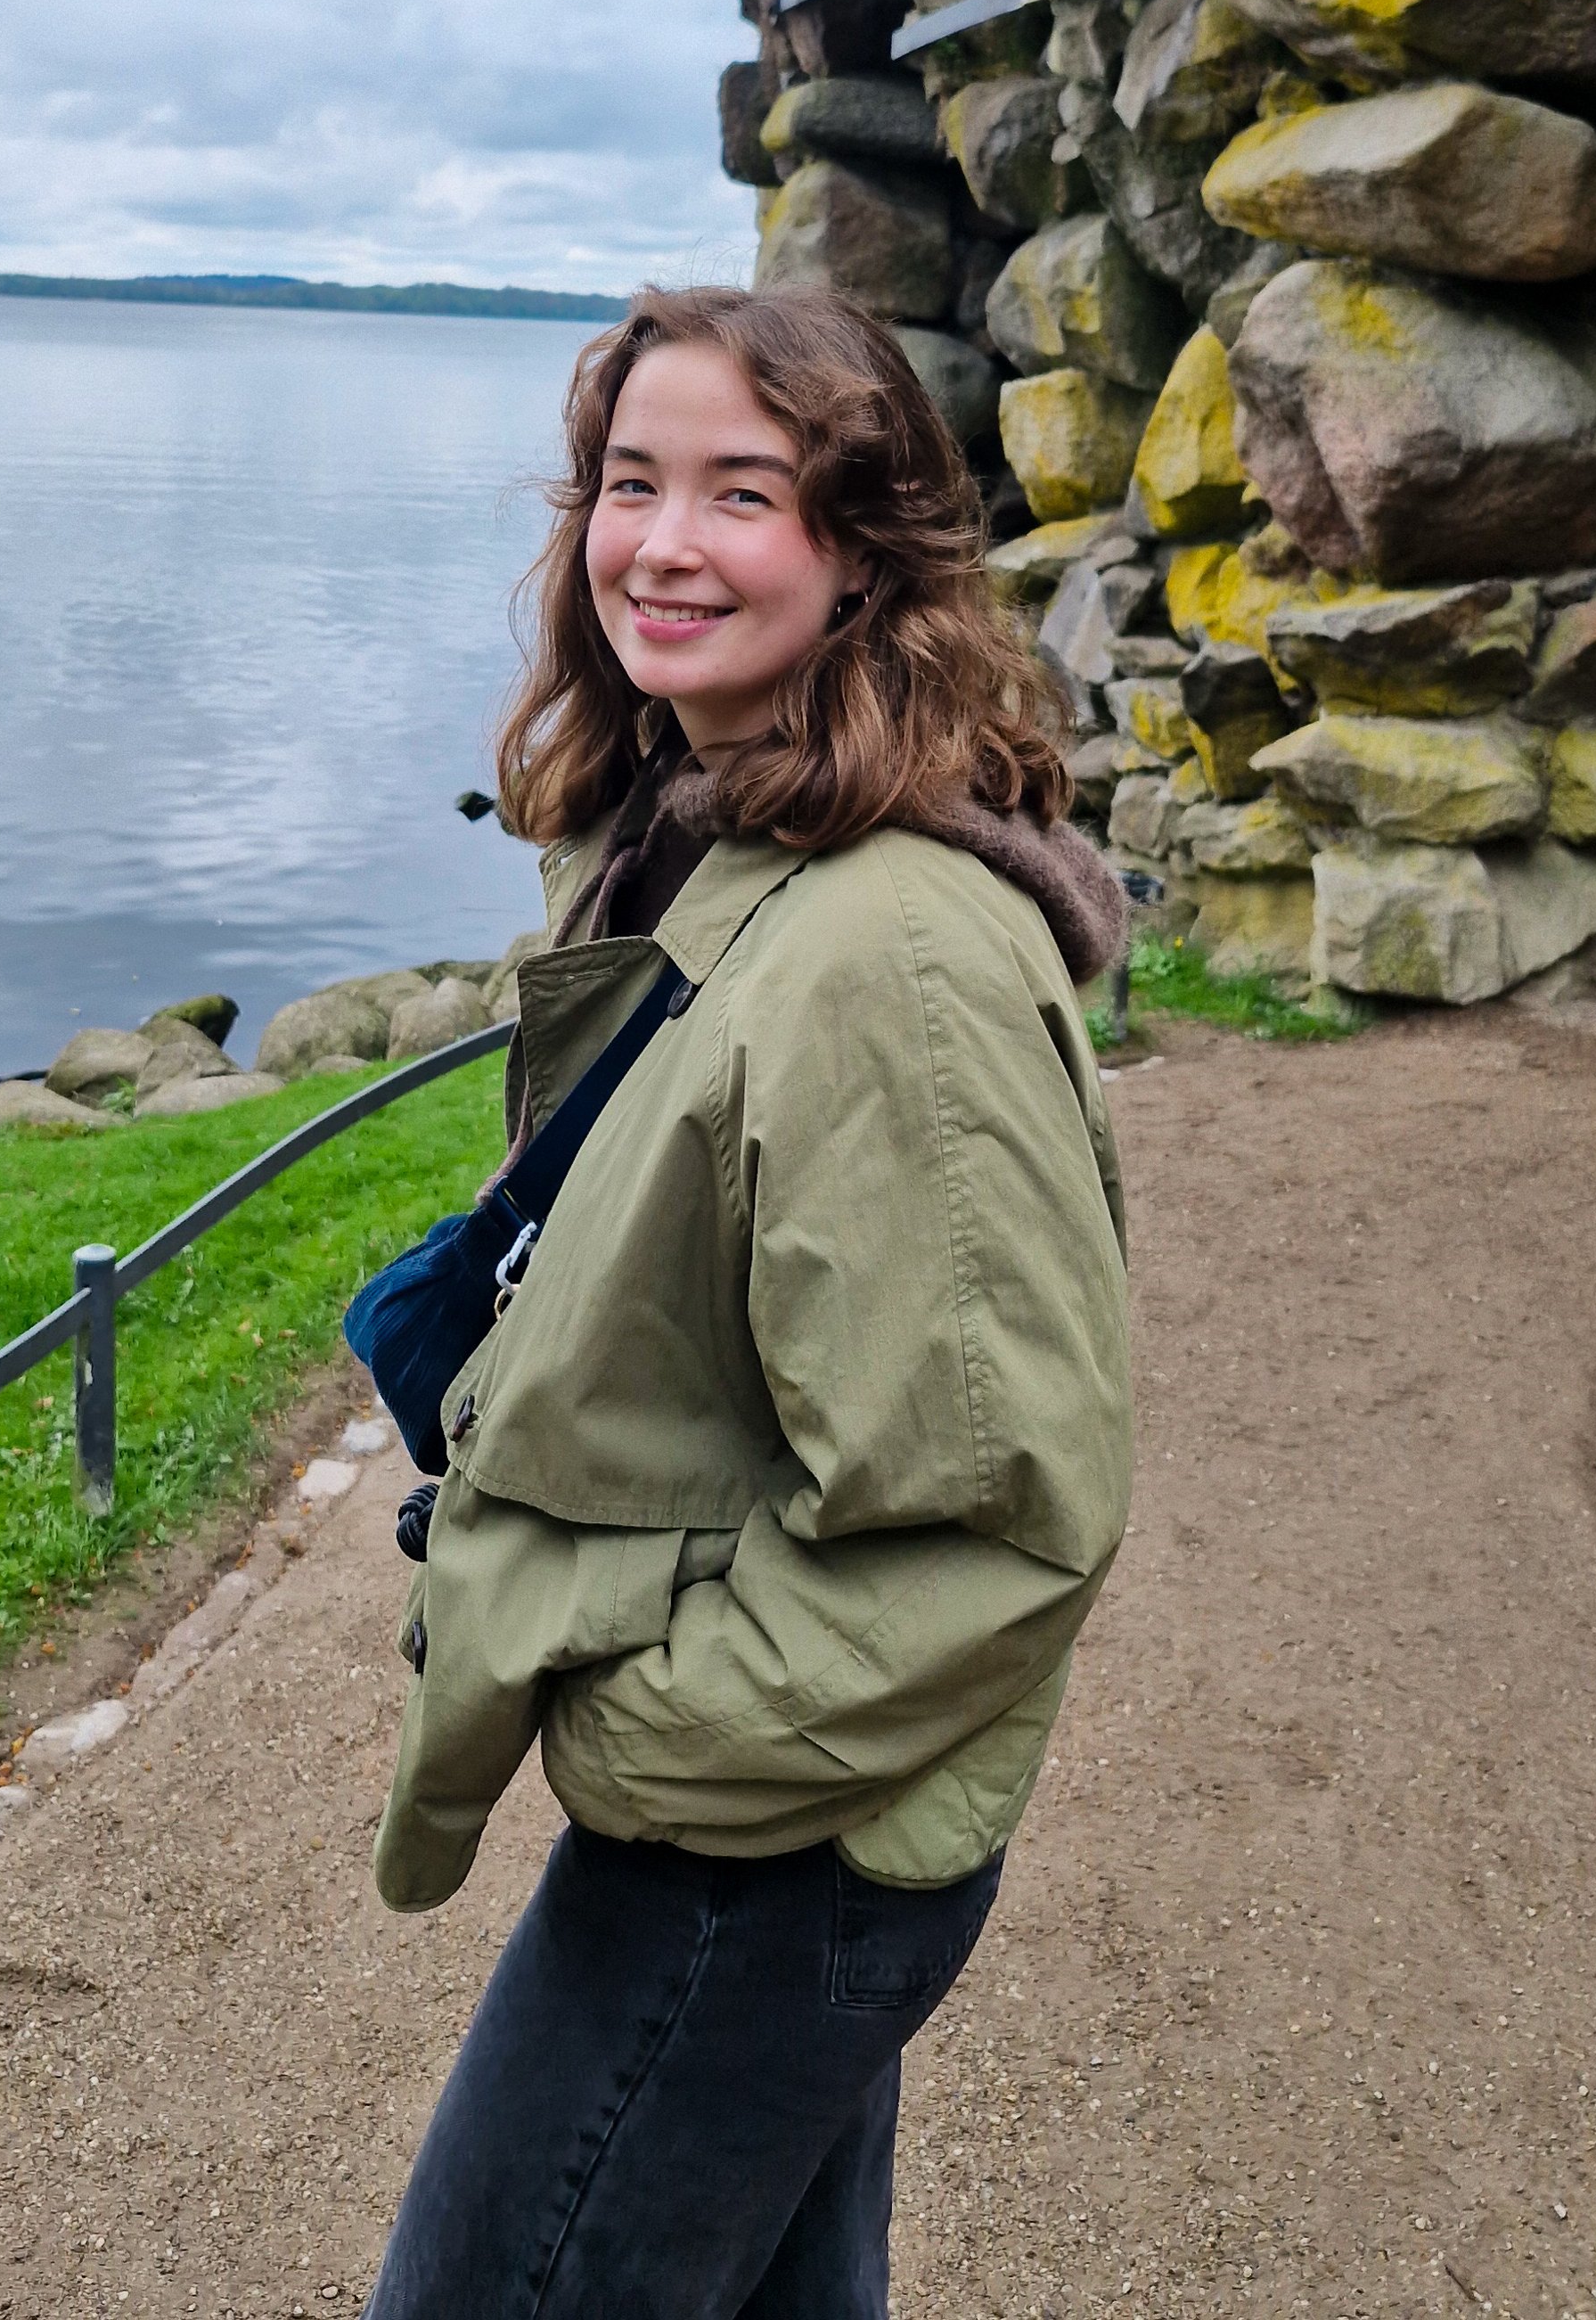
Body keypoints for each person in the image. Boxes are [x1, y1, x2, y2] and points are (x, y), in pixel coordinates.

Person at [363, 284, 1134, 2319]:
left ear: (866, 549)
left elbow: (996, 1520)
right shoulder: (704, 844)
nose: (662, 544)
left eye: (743, 492)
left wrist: (636, 1725)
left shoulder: (887, 954)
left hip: (773, 1856)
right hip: (787, 1809)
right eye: (630, 482)